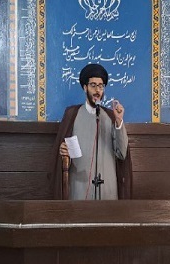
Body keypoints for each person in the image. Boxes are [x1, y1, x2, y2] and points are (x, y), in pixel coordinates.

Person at [50, 63, 132, 200]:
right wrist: (63, 152)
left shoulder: (111, 117)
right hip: (79, 190)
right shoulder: (72, 115)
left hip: (108, 191)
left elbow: (122, 154)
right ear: (85, 87)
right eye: (93, 85)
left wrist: (119, 121)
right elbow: (62, 156)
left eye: (101, 86)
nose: (97, 90)